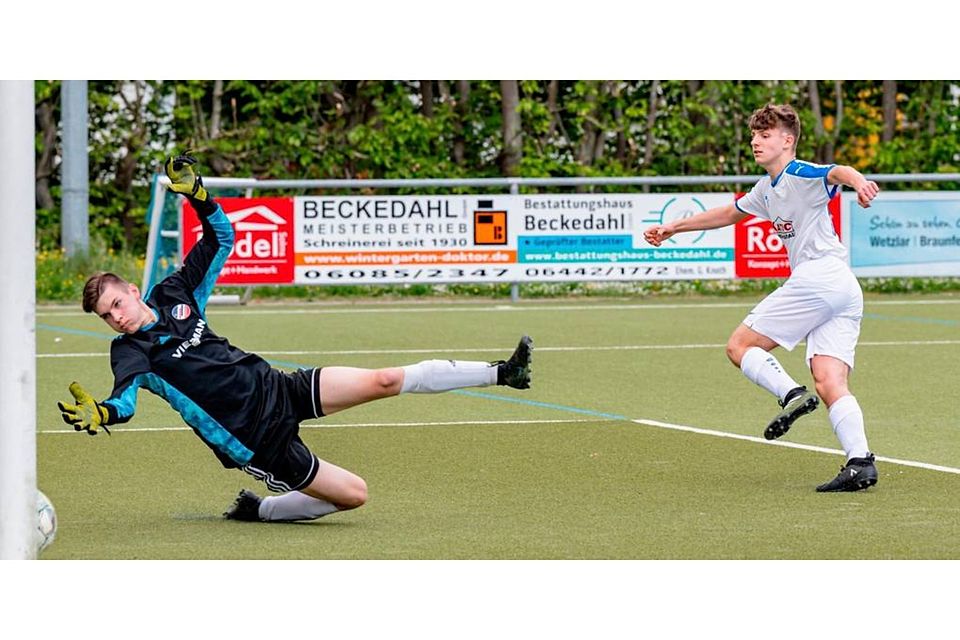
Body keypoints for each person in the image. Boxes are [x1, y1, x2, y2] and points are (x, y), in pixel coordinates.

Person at [58, 154, 534, 522]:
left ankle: (502, 373)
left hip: (278, 387)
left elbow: (221, 238)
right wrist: (102, 412)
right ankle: (260, 509)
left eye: (116, 305)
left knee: (386, 379)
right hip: (254, 441)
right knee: (354, 495)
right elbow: (123, 402)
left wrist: (200, 197)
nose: (115, 318)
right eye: (105, 316)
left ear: (133, 291)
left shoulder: (176, 292)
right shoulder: (131, 353)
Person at [643, 103, 880, 492]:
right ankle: (860, 463)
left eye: (765, 135)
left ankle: (791, 394)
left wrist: (859, 181)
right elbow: (729, 213)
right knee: (830, 380)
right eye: (754, 135)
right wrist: (674, 226)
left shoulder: (798, 172)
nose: (755, 141)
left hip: (818, 278)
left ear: (787, 141)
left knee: (739, 346)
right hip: (842, 287)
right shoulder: (765, 189)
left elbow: (835, 172)